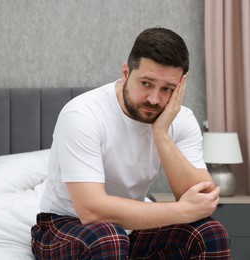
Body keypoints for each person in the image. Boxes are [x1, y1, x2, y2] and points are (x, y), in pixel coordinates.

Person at [31, 27, 231, 259]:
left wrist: (161, 135)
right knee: (109, 237)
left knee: (210, 232)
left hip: (130, 230)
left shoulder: (180, 119)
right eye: (146, 83)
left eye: (167, 89)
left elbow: (204, 198)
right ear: (126, 72)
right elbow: (91, 210)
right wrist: (180, 210)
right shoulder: (82, 114)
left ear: (180, 86)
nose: (154, 99)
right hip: (63, 226)